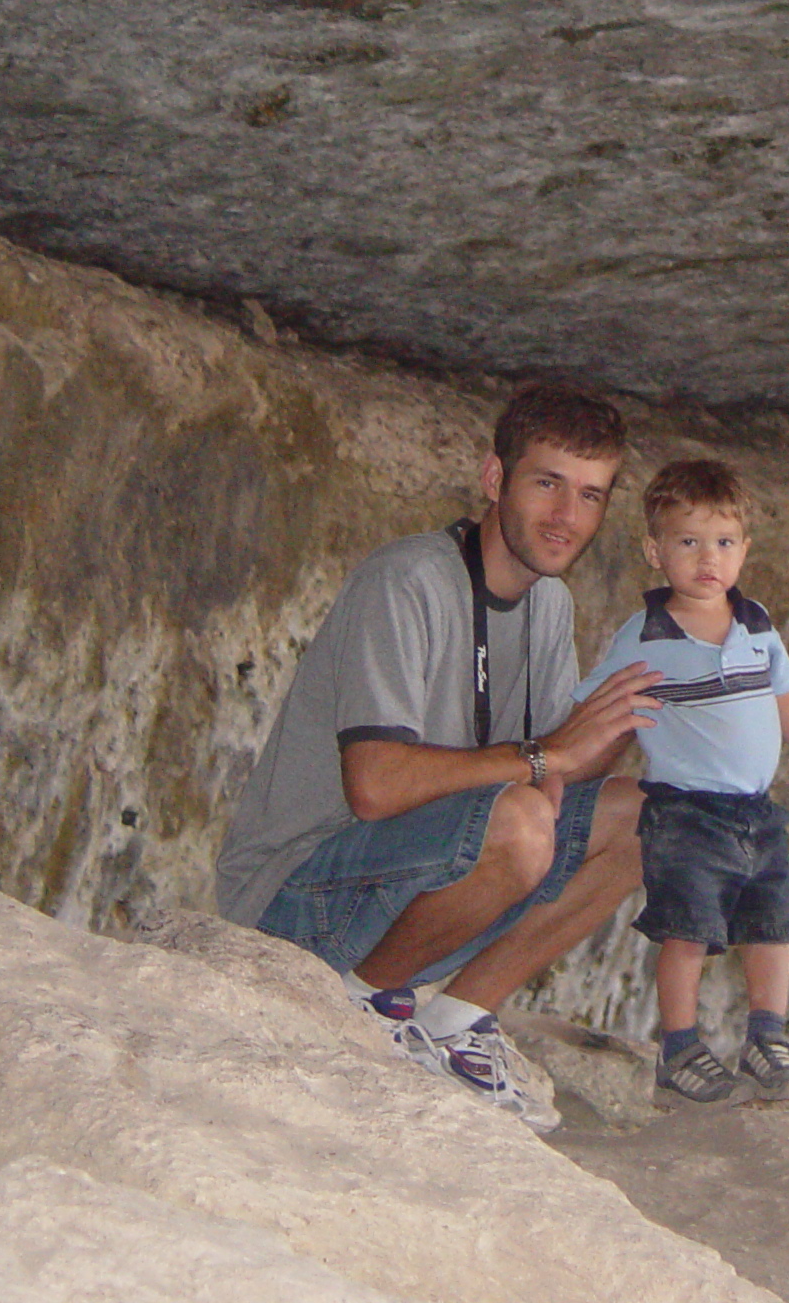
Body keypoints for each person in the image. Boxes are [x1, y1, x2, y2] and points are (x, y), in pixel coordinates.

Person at [214, 385, 661, 1132]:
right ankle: (364, 1007)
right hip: (297, 898)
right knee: (518, 824)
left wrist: (639, 708)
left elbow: (554, 773)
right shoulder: (409, 581)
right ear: (494, 480)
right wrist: (546, 756)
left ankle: (454, 1020)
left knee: (655, 819)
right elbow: (376, 788)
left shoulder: (549, 605)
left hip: (414, 884)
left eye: (589, 495)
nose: (566, 517)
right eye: (546, 484)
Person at [577, 457, 789, 1109]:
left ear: (744, 550)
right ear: (655, 551)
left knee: (771, 926)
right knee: (687, 930)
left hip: (755, 808)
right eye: (688, 542)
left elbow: (784, 698)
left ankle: (767, 1037)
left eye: (722, 542)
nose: (706, 558)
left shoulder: (756, 623)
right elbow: (597, 705)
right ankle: (680, 1045)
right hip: (685, 809)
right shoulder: (646, 636)